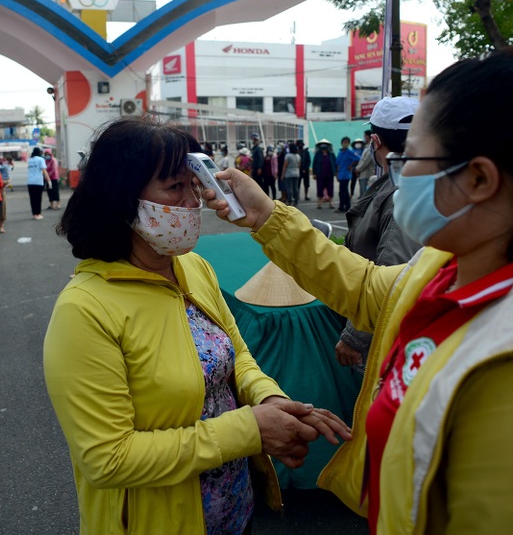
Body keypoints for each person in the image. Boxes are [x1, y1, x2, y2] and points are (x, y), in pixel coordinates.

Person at [201, 44, 513, 533]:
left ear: (479, 178)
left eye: (413, 156)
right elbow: (370, 289)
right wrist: (267, 216)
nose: (399, 174)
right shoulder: (450, 265)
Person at [44, 115, 352, 535]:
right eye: (175, 187)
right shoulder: (84, 310)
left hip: (235, 509)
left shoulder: (193, 267)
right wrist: (251, 429)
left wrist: (271, 400)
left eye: (194, 184)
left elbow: (237, 355)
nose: (194, 201)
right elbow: (108, 459)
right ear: (121, 198)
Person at [335, 98, 422, 375]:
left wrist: (355, 335)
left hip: (383, 331)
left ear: (375, 141)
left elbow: (394, 271)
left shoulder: (401, 190)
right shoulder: (404, 180)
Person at [334, 137, 359, 212]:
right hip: (341, 174)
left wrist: (351, 166)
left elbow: (358, 158)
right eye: (344, 142)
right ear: (341, 143)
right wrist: (337, 174)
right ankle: (346, 206)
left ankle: (342, 207)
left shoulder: (350, 152)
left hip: (346, 174)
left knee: (343, 191)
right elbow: (338, 164)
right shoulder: (340, 152)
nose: (345, 144)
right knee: (343, 191)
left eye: (347, 142)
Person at [26, 147, 51, 220]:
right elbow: (44, 171)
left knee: (32, 199)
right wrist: (48, 180)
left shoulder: (30, 160)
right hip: (38, 182)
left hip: (30, 182)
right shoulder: (41, 159)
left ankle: (34, 214)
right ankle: (38, 214)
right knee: (38, 198)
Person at [312, 140, 337, 209]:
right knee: (320, 188)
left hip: (329, 174)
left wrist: (335, 172)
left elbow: (335, 163)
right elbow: (314, 164)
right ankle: (319, 203)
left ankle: (331, 203)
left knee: (330, 188)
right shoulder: (317, 154)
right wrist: (314, 173)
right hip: (320, 175)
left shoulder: (331, 154)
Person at [353, 130, 376, 199]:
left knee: (366, 195)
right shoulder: (366, 147)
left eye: (365, 136)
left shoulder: (370, 148)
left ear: (368, 137)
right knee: (363, 194)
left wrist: (357, 169)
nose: (364, 138)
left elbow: (365, 162)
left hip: (367, 174)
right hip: (363, 174)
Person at [280, 142, 301, 206]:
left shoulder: (288, 156)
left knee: (289, 188)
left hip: (289, 173)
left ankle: (289, 200)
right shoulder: (298, 156)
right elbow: (299, 165)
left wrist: (282, 175)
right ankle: (296, 200)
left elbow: (285, 166)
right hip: (296, 172)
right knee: (295, 188)